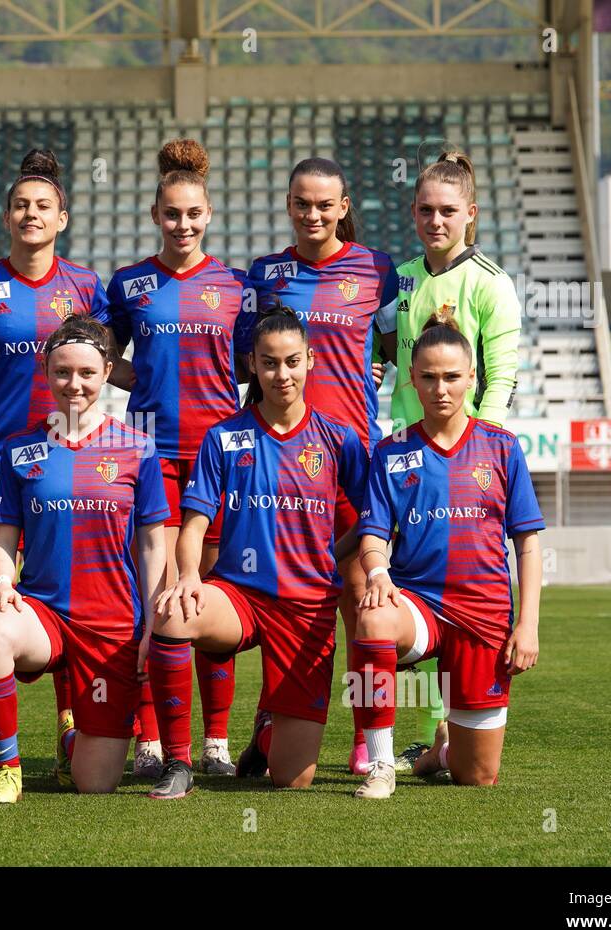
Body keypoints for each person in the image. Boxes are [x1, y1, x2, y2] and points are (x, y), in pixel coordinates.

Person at [0, 149, 110, 783]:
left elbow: (103, 363)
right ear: (7, 216)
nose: (30, 214)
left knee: (71, 587)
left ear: (61, 217)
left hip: (69, 458)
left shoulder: (87, 288)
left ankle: (72, 726)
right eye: (20, 206)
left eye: (43, 207)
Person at [143, 303, 368, 799]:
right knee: (174, 616)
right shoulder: (224, 437)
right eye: (269, 362)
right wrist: (187, 576)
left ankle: (266, 733)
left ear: (310, 360)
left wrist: (337, 554)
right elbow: (196, 520)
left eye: (291, 361)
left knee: (292, 780)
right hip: (240, 595)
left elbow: (373, 513)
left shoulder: (339, 439)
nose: (281, 373)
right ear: (252, 365)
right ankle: (177, 762)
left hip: (307, 609)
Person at [0, 316, 166, 802]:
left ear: (107, 372)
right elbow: (3, 540)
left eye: (86, 373)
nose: (73, 384)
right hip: (44, 612)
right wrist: (0, 585)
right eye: (61, 373)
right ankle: (6, 767)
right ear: (46, 371)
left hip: (113, 622)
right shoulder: (18, 450)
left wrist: (151, 625)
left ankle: (70, 740)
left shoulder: (137, 448)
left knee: (93, 785)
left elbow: (153, 544)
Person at [243, 158, 398, 776]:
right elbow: (244, 363)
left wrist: (376, 367)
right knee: (282, 607)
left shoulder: (377, 270)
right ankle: (267, 728)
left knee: (364, 605)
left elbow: (395, 344)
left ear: (343, 206)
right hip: (281, 469)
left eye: (324, 205)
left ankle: (368, 739)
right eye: (301, 204)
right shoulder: (267, 274)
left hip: (352, 463)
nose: (312, 215)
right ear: (289, 205)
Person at [349, 314, 542, 799]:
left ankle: (439, 750)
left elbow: (528, 542)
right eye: (429, 377)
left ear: (472, 377)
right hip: (419, 605)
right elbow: (372, 535)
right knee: (371, 620)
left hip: (484, 613)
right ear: (411, 378)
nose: (441, 389)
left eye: (453, 377)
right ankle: (380, 763)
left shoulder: (501, 448)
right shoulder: (392, 451)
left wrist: (529, 625)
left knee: (476, 776)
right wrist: (376, 572)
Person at [106, 138, 251, 777]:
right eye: (171, 214)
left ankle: (214, 742)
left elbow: (253, 363)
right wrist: (149, 384)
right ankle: (150, 739)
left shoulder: (234, 285)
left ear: (209, 213)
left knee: (208, 598)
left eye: (193, 214)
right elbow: (98, 355)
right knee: (156, 598)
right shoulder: (129, 283)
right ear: (155, 214)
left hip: (219, 455)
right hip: (152, 453)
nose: (182, 225)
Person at [389, 150, 523, 772]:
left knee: (459, 587)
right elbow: (385, 354)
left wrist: (480, 445)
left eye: (448, 211)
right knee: (395, 585)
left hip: (465, 457)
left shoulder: (491, 281)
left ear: (470, 214)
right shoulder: (403, 277)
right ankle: (402, 740)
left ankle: (446, 735)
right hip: (397, 450)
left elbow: (502, 374)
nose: (435, 220)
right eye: (425, 210)